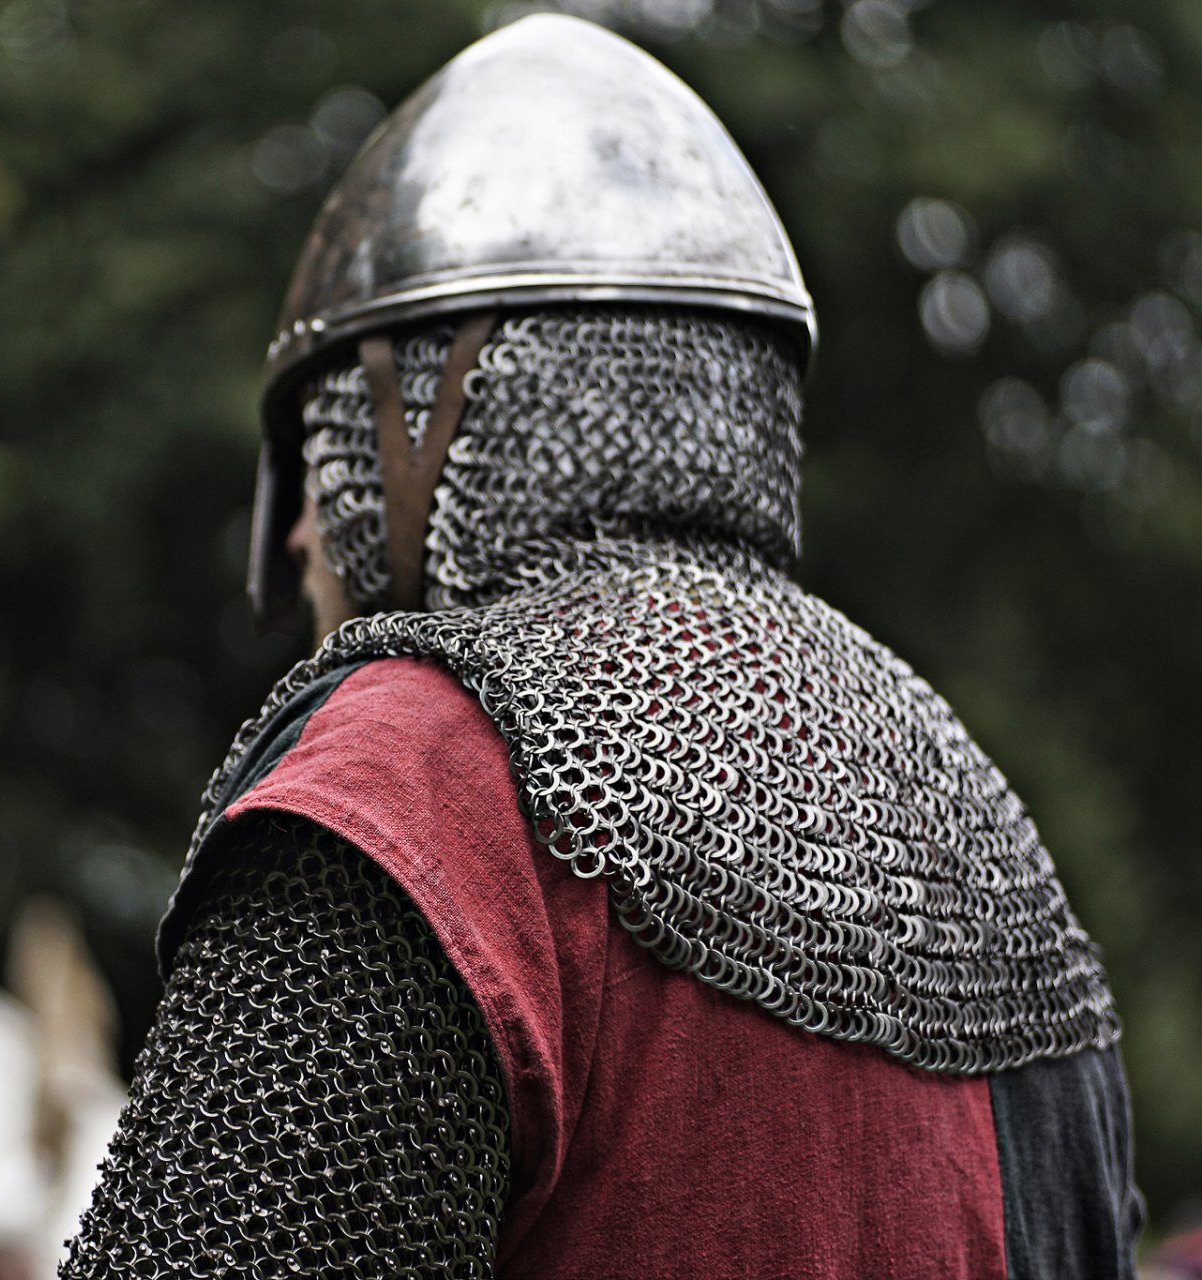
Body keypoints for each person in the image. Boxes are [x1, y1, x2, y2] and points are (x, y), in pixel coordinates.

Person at [60, 15, 1143, 1279]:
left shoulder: (421, 776)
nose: (297, 528)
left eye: (322, 444)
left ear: (428, 408)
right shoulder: (996, 862)